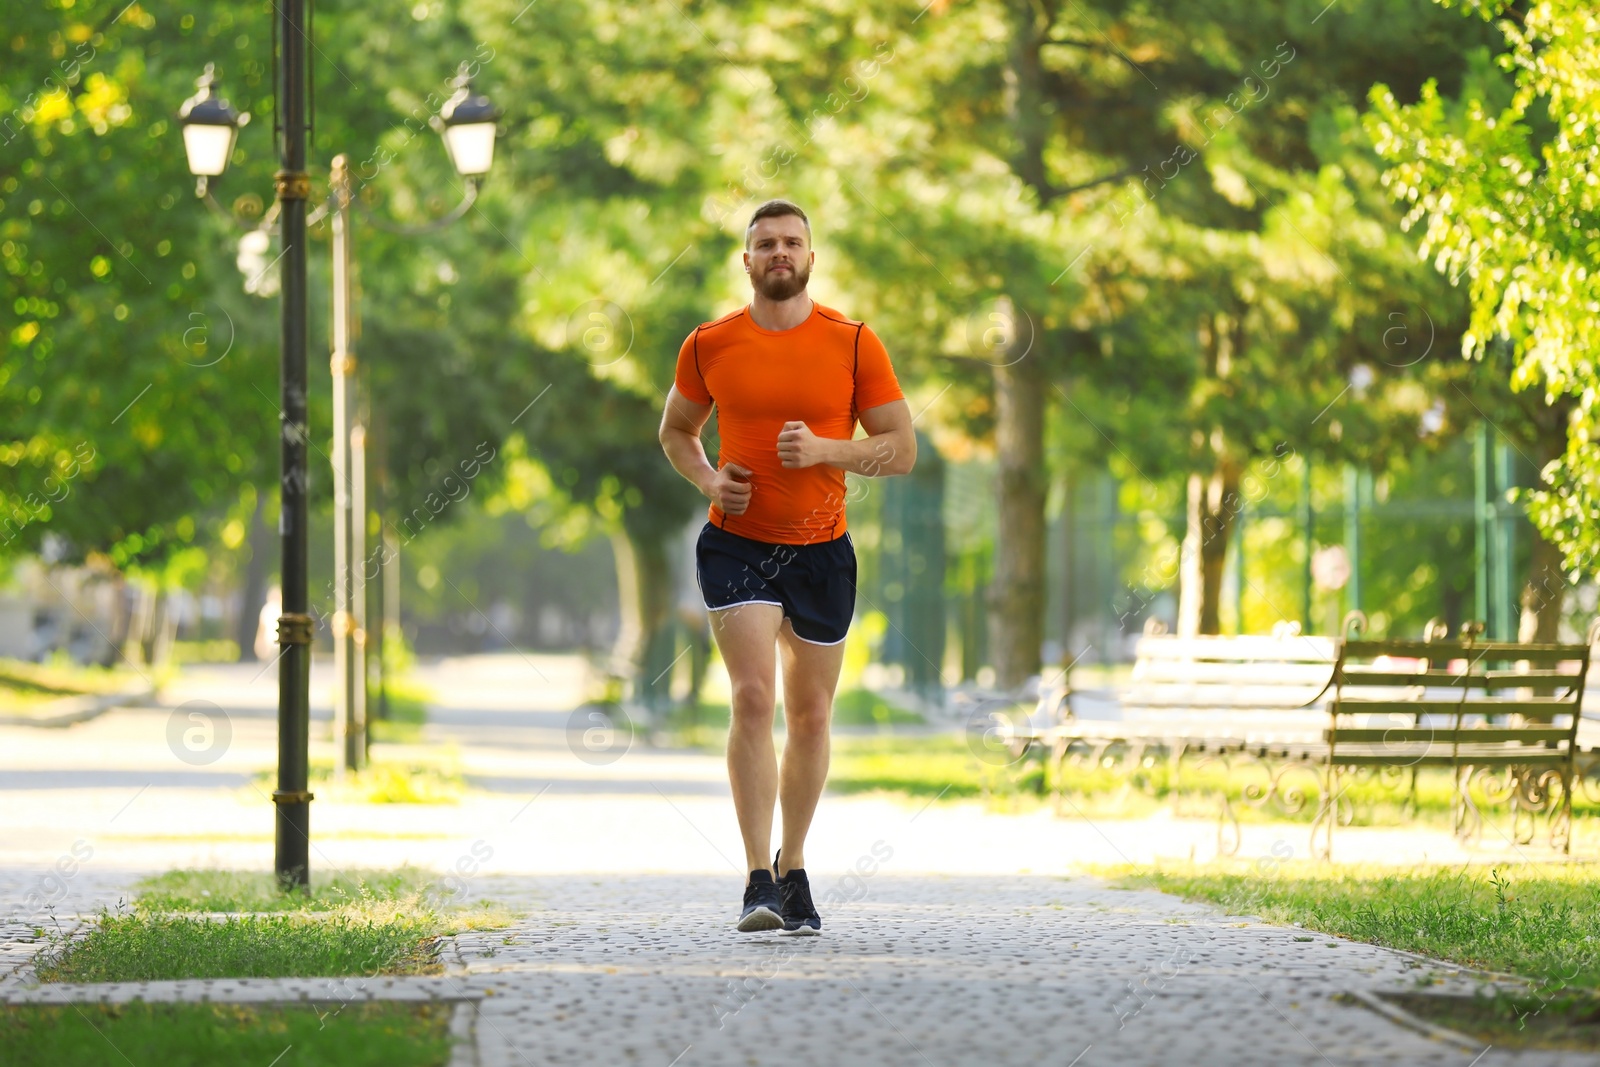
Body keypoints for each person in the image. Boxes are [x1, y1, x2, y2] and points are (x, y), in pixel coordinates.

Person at [658, 199, 916, 934]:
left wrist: (829, 451)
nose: (779, 252)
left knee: (810, 714)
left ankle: (794, 864)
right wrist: (710, 482)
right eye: (765, 243)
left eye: (792, 242)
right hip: (737, 543)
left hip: (822, 551)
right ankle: (756, 879)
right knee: (750, 697)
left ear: (810, 257)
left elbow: (901, 449)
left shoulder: (855, 342)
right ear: (746, 260)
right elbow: (676, 430)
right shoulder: (708, 344)